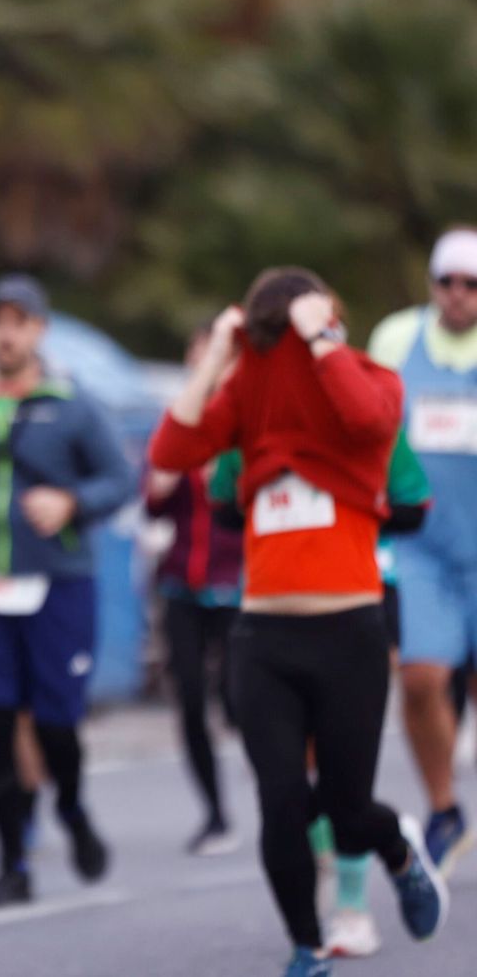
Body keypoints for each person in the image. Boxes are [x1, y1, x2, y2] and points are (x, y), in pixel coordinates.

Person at [150, 267, 447, 977]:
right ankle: (306, 947)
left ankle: (397, 847)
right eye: (269, 334)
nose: (277, 349)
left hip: (348, 630)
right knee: (282, 802)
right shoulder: (247, 404)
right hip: (266, 636)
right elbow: (169, 453)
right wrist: (219, 359)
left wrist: (324, 340)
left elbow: (374, 421)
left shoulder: (361, 392)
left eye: (291, 333)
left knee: (346, 809)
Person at [0, 273, 130, 909]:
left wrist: (72, 501)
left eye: (20, 321)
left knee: (55, 725)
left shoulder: (74, 402)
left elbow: (121, 479)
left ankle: (70, 808)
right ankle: (12, 860)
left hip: (59, 585)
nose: (7, 333)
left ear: (39, 329)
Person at [208, 429, 430, 960]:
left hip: (358, 599)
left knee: (343, 781)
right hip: (272, 617)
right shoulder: (248, 418)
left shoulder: (362, 409)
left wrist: (338, 496)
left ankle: (355, 900)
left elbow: (411, 509)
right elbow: (222, 507)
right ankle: (309, 930)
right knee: (284, 785)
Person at [367, 227, 477, 875]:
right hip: (421, 545)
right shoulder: (395, 339)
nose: (459, 296)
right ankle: (443, 807)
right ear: (432, 286)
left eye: (472, 285)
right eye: (448, 283)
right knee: (419, 678)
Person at [143, 326, 245, 858]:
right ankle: (214, 813)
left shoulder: (244, 423)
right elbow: (152, 500)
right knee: (188, 701)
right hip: (182, 580)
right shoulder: (178, 424)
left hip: (236, 583)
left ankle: (285, 794)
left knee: (238, 697)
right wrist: (165, 477)